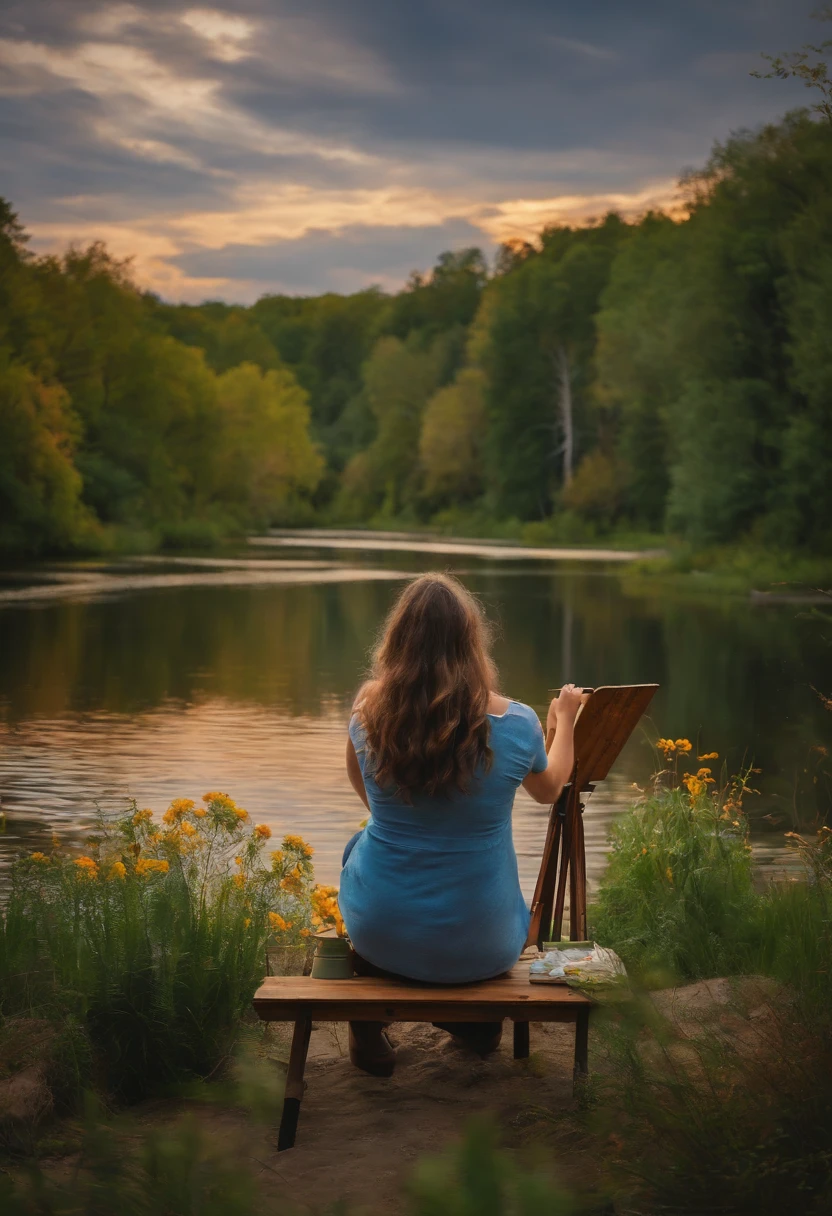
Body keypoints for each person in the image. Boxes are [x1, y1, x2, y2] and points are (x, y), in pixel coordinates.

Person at [340, 572, 584, 1076]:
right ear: (471, 642)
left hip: (381, 935)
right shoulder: (518, 723)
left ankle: (367, 1024)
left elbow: (368, 794)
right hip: (483, 945)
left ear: (398, 640)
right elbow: (550, 787)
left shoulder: (367, 712)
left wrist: (407, 819)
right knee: (482, 1034)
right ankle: (469, 1021)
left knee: (359, 842)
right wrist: (566, 720)